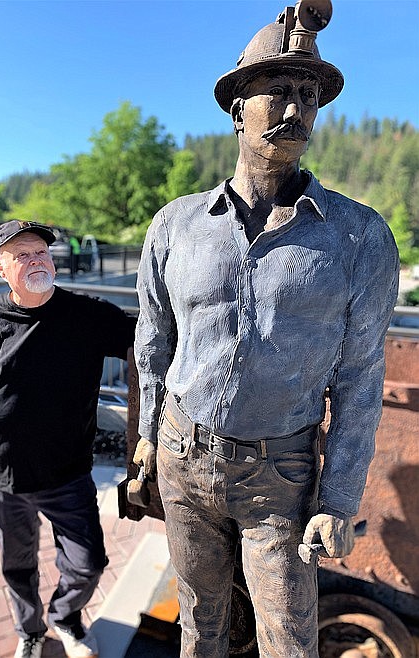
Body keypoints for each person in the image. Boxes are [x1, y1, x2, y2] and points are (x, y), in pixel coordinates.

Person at [132, 3, 399, 657]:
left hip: (276, 478)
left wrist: (336, 497)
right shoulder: (175, 226)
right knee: (200, 619)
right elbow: (153, 337)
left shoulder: (357, 237)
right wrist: (144, 436)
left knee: (288, 636)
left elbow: (362, 378)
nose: (295, 109)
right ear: (235, 109)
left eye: (308, 96)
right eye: (277, 91)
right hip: (180, 458)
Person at [0, 220, 135, 658]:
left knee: (88, 564)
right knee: (17, 565)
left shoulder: (88, 315)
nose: (36, 260)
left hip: (67, 474)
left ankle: (65, 618)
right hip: (2, 476)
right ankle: (29, 631)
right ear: (0, 267)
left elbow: (151, 339)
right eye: (22, 255)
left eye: (41, 252)